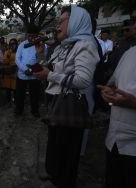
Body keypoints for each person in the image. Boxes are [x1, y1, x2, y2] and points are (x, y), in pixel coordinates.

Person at [33, 5, 99, 188]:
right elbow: (51, 69)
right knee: (56, 145)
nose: (57, 25)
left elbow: (83, 80)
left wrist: (50, 75)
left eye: (61, 21)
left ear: (76, 21)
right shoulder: (64, 47)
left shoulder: (85, 45)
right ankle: (54, 175)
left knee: (66, 150)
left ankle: (63, 181)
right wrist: (40, 60)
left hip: (70, 104)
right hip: (57, 101)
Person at [97, 46, 136, 188]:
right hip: (115, 139)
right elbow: (114, 84)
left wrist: (133, 103)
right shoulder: (129, 52)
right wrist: (109, 93)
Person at [15, 30, 42, 117]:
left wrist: (33, 70)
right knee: (20, 94)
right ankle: (19, 110)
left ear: (37, 36)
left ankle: (35, 111)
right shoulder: (22, 45)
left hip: (34, 75)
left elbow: (42, 59)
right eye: (30, 36)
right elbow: (17, 59)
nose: (32, 38)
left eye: (34, 36)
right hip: (22, 74)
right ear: (27, 35)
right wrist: (25, 69)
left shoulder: (41, 45)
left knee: (35, 94)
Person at [1, 38, 18, 103]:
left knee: (15, 88)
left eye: (13, 43)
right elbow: (5, 61)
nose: (12, 45)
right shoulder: (7, 52)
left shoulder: (19, 52)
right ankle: (8, 101)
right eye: (10, 44)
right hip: (8, 72)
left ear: (16, 44)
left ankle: (16, 101)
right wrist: (8, 54)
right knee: (8, 88)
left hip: (16, 72)